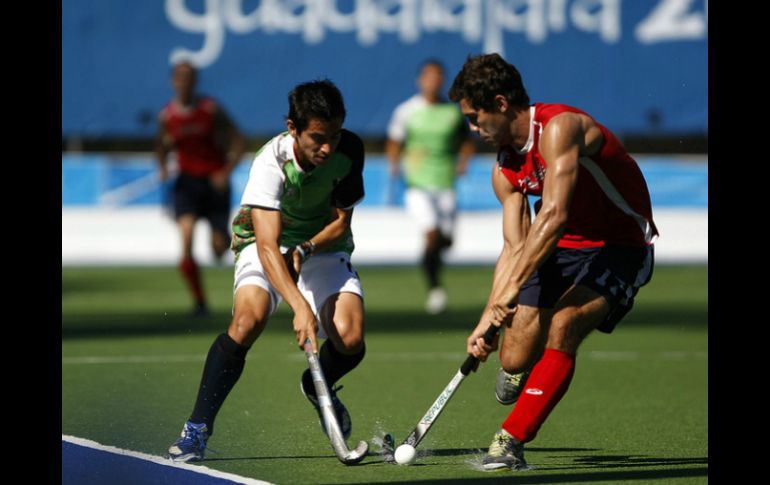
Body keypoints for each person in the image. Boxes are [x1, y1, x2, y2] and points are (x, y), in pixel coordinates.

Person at [448, 53, 658, 470]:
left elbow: (555, 215)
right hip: (558, 249)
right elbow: (513, 247)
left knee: (565, 324)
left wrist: (512, 289)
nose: (472, 129)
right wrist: (489, 315)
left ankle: (510, 440)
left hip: (621, 246)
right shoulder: (505, 166)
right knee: (513, 358)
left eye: (474, 118)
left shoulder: (560, 127)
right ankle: (525, 369)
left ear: (501, 103)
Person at [167, 79, 367, 463]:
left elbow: (341, 222)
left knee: (350, 337)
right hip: (265, 244)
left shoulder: (349, 150)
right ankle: (196, 428)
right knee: (248, 319)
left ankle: (317, 383)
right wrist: (300, 307)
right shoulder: (270, 162)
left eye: (335, 135)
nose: (328, 148)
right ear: (293, 128)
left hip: (320, 246)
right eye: (318, 138)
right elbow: (266, 246)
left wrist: (306, 248)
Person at [386, 59, 476, 314]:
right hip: (417, 184)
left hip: (445, 183)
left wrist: (463, 161)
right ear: (420, 80)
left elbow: (467, 140)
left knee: (445, 241)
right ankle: (435, 289)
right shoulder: (407, 111)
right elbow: (394, 140)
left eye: (438, 77)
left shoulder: (452, 112)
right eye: (429, 76)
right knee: (432, 232)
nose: (433, 81)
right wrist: (394, 164)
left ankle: (429, 258)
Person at [156, 60, 245, 317]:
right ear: (173, 81)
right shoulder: (167, 116)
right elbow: (161, 145)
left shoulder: (210, 109)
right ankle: (199, 302)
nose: (184, 82)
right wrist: (163, 167)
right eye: (179, 77)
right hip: (187, 184)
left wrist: (225, 171)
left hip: (214, 183)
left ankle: (221, 241)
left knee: (219, 248)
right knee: (186, 239)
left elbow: (238, 140)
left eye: (188, 77)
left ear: (195, 81)